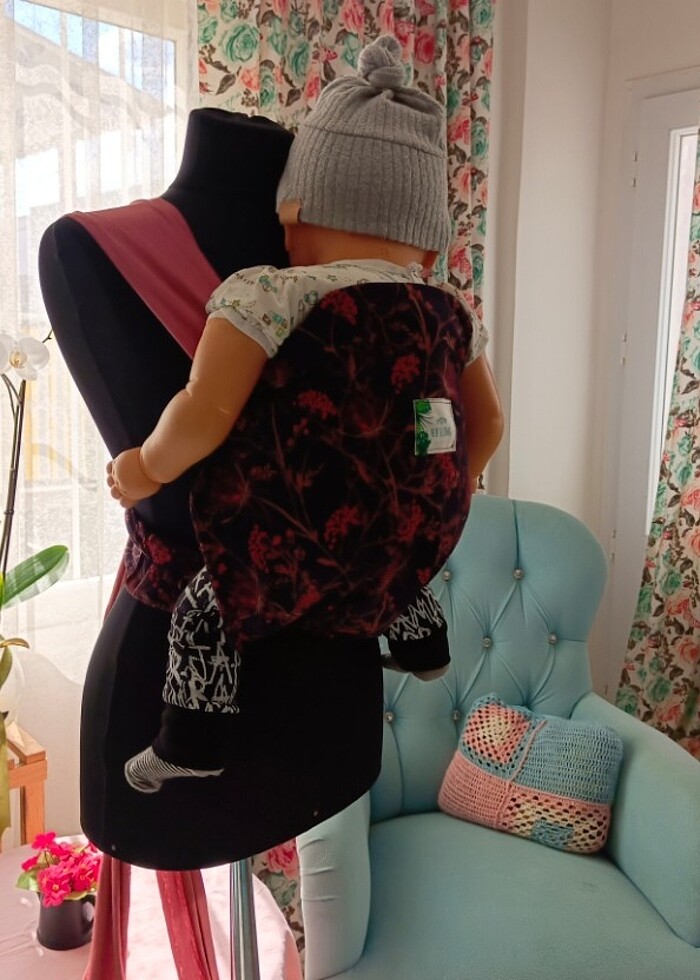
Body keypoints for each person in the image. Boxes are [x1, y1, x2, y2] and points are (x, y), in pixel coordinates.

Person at [108, 35, 503, 794]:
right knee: (396, 576)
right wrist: (440, 492)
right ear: (429, 244)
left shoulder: (270, 291)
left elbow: (204, 411)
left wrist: (142, 468)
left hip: (284, 535)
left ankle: (192, 741)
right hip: (401, 542)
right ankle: (425, 649)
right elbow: (487, 425)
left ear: (294, 211)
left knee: (206, 608)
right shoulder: (451, 310)